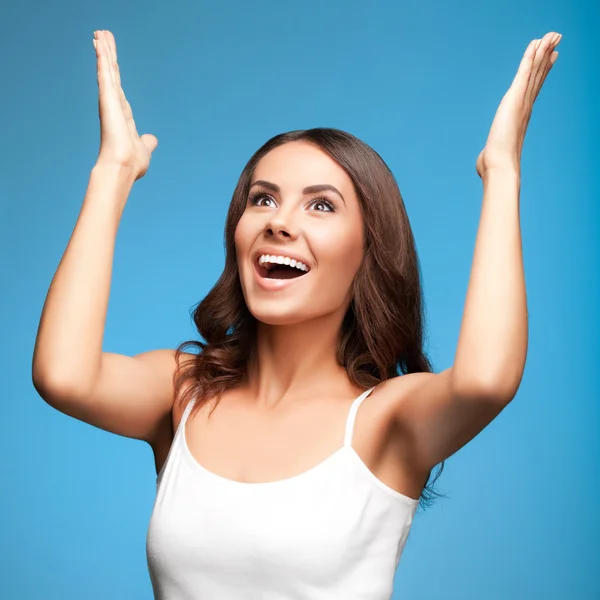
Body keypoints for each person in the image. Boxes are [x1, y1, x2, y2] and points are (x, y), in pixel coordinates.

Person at [32, 29, 562, 600]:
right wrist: (113, 172)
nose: (279, 221)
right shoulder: (182, 393)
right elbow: (63, 375)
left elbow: (487, 380)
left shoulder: (385, 421)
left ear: (368, 250)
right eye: (262, 198)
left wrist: (503, 172)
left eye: (321, 205)